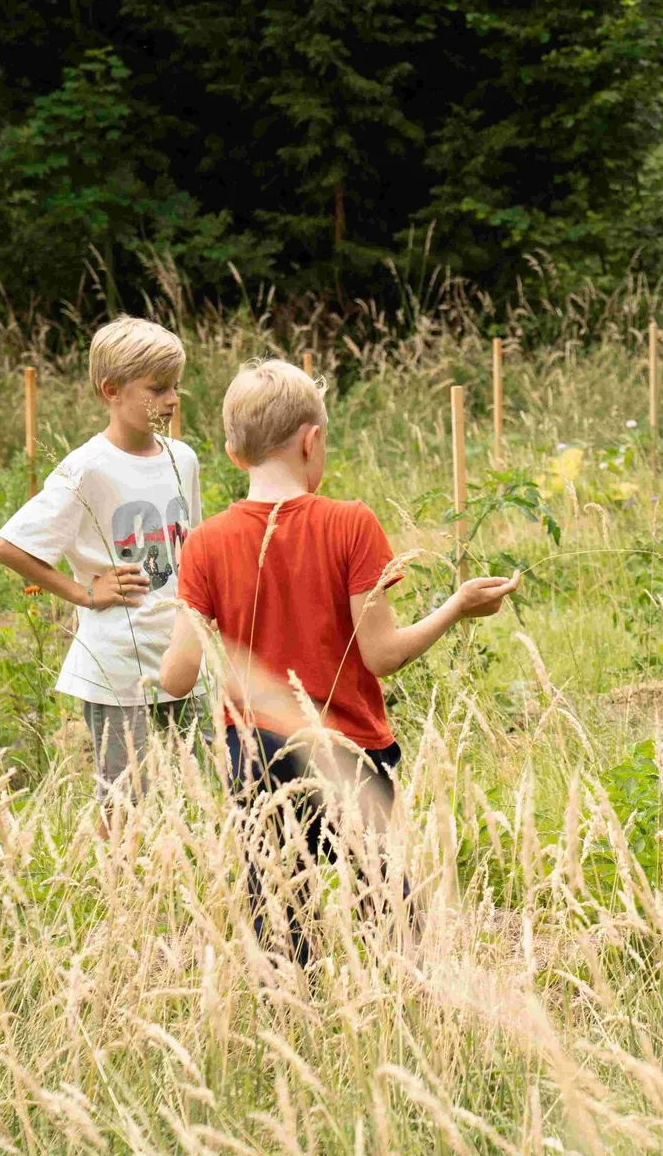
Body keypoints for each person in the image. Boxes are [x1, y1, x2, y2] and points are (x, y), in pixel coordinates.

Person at [156, 358, 519, 963]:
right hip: (351, 753)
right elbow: (383, 655)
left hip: (256, 758)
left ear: (233, 454)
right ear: (312, 439)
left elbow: (176, 677)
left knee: (280, 920)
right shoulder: (351, 524)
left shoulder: (205, 544)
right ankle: (398, 1005)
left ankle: (290, 1013)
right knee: (391, 914)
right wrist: (456, 607)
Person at [0, 316, 203, 806]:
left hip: (184, 656)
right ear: (112, 390)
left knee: (203, 790)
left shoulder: (183, 458)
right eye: (158, 389)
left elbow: (191, 547)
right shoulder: (87, 467)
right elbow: (8, 545)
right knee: (125, 800)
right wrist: (84, 593)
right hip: (119, 666)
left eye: (176, 386)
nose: (173, 400)